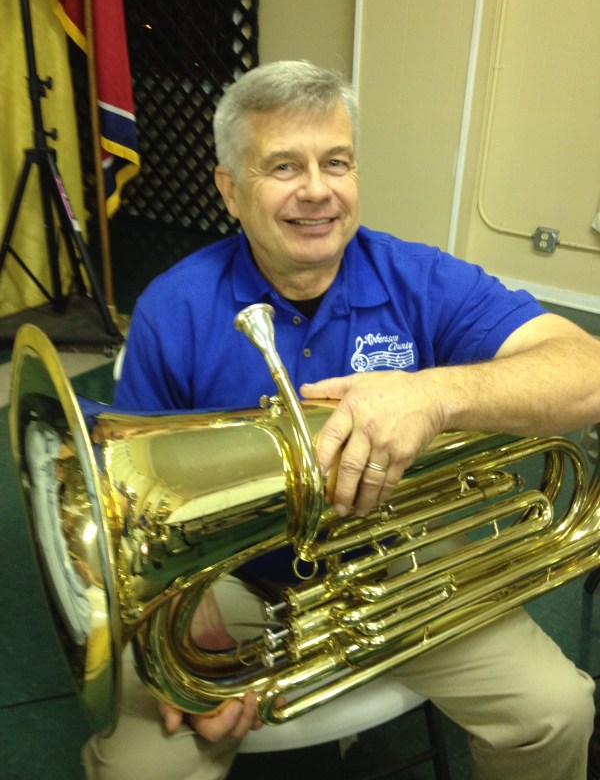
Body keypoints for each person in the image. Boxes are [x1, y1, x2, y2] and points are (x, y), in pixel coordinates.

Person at [83, 60, 600, 780]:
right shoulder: (174, 306)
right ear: (229, 189)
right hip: (228, 577)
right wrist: (182, 608)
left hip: (396, 556)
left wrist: (434, 396)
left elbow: (587, 369)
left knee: (557, 712)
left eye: (336, 162)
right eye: (283, 166)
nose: (318, 190)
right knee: (139, 770)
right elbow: (124, 500)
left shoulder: (419, 277)